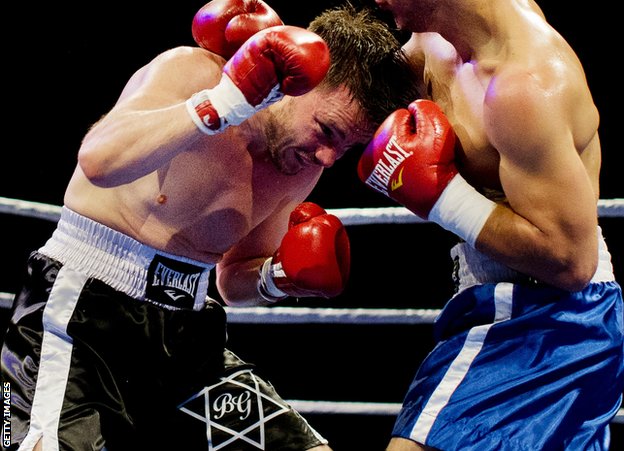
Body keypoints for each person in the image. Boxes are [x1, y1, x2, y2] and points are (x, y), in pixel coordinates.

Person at [0, 1, 420, 450]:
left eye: (345, 150)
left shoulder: (300, 165)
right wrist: (222, 103)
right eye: (328, 131)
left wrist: (275, 278)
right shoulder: (195, 73)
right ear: (299, 82)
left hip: (188, 341)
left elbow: (231, 281)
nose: (326, 158)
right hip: (84, 316)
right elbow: (98, 160)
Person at [357, 0, 624, 450]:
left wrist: (443, 199)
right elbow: (358, 97)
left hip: (552, 320)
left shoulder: (523, 87)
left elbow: (571, 261)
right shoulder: (436, 38)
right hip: (504, 304)